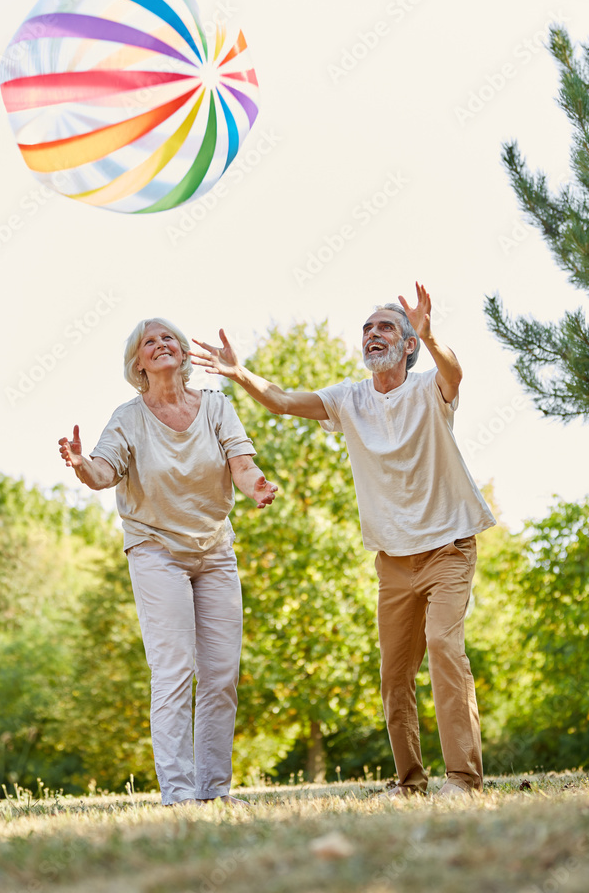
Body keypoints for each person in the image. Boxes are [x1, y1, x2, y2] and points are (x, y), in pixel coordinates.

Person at [192, 282, 495, 799]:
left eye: (386, 328)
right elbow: (282, 401)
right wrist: (239, 373)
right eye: (367, 328)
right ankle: (410, 783)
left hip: (448, 546)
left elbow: (455, 374)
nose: (373, 334)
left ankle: (464, 779)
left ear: (408, 345)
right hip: (393, 559)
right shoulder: (348, 399)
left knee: (444, 646)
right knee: (394, 674)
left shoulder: (429, 388)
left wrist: (431, 334)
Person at [58, 317, 277, 807]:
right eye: (149, 341)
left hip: (214, 550)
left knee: (221, 674)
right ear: (138, 363)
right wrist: (81, 464)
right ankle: (178, 793)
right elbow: (103, 471)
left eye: (168, 338)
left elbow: (242, 465)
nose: (160, 344)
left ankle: (213, 791)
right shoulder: (128, 418)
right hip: (155, 550)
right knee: (174, 668)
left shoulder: (216, 406)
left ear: (182, 352)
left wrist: (258, 487)